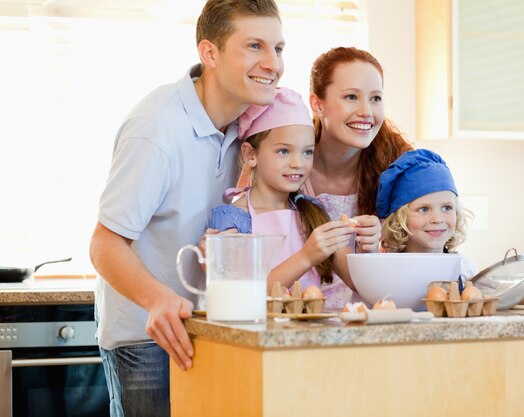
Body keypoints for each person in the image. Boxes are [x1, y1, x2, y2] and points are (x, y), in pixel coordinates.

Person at [89, 1, 284, 416]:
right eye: (254, 46)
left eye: (279, 48)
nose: (273, 64)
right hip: (146, 340)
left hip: (209, 328)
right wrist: (159, 299)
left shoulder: (249, 121)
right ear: (210, 53)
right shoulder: (158, 128)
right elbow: (105, 244)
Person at [210, 87, 368, 295]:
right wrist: (305, 257)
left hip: (307, 328)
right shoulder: (234, 219)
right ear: (250, 154)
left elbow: (359, 283)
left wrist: (367, 247)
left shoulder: (313, 213)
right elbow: (240, 294)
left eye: (307, 152)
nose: (297, 163)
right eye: (283, 151)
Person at [303, 46, 414, 308]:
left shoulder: (398, 165)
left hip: (373, 314)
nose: (366, 111)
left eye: (375, 98)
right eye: (351, 97)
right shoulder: (288, 164)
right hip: (305, 316)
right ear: (317, 105)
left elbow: (418, 255)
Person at [376, 149, 477, 281]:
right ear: (399, 220)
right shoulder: (387, 270)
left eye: (447, 208)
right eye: (424, 209)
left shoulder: (464, 268)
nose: (437, 219)